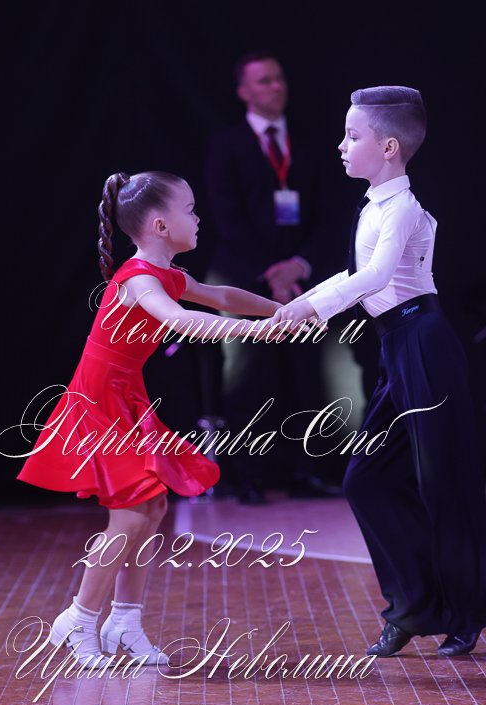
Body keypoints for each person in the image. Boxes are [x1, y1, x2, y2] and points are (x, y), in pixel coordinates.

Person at [16, 171, 285, 667]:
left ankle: (125, 619)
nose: (198, 218)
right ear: (161, 225)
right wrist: (257, 333)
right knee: (131, 513)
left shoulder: (167, 275)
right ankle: (78, 619)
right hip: (98, 404)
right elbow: (180, 319)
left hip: (125, 401)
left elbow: (222, 297)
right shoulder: (139, 278)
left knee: (153, 507)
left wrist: (282, 310)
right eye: (191, 209)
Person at [274, 86, 486, 658]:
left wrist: (311, 309)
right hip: (397, 344)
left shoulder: (402, 208)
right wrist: (295, 307)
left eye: (353, 136)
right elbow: (355, 272)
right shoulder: (373, 205)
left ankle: (465, 612)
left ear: (389, 146)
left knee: (444, 482)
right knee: (365, 479)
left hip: (425, 343)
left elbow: (374, 277)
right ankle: (415, 604)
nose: (341, 145)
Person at [204, 51, 327, 504]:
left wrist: (298, 265)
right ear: (243, 92)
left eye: (279, 78)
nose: (276, 86)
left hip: (300, 280)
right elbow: (226, 216)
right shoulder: (227, 144)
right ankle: (249, 475)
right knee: (249, 377)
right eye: (264, 80)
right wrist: (271, 271)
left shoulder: (309, 144)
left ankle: (305, 470)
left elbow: (327, 214)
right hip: (245, 278)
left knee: (304, 376)